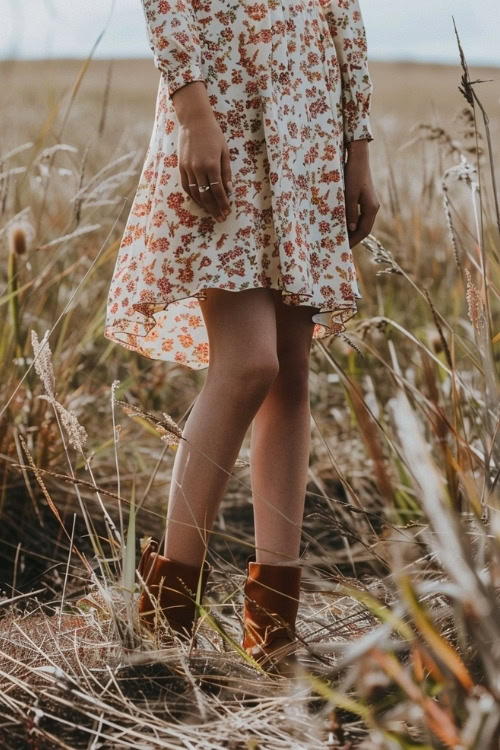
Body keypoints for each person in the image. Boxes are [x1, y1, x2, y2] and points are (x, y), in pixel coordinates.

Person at [104, 0, 379, 670]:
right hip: (225, 100)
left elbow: (342, 10)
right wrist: (191, 109)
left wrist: (359, 144)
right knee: (249, 363)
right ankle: (164, 629)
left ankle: (274, 640)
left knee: (290, 374)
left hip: (309, 107)